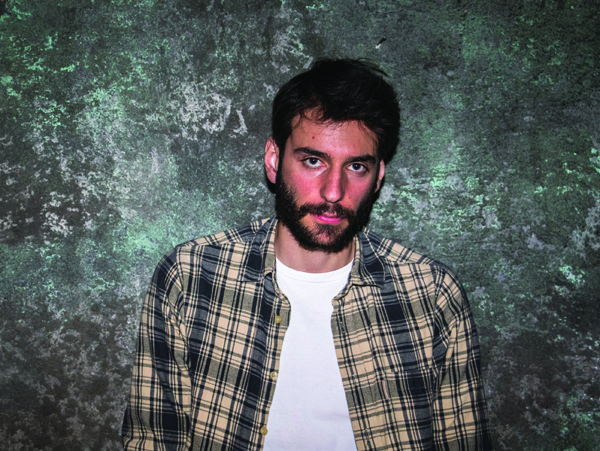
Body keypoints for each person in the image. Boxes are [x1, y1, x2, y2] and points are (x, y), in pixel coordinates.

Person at [122, 58, 494, 450]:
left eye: (356, 167)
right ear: (274, 160)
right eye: (313, 161)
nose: (334, 191)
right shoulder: (191, 276)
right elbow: (153, 441)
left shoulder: (432, 294)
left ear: (378, 177)